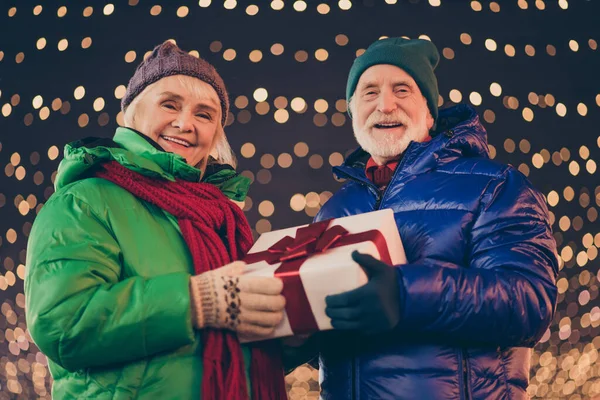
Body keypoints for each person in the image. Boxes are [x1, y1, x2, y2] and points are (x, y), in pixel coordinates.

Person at [286, 38, 558, 400]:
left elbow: (529, 301)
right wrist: (293, 336)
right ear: (353, 113)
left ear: (429, 112)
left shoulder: (494, 186)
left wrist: (406, 294)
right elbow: (330, 334)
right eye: (369, 92)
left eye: (402, 89)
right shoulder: (334, 209)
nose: (385, 105)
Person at [25, 41, 288, 400]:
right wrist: (194, 301)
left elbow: (244, 352)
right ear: (133, 114)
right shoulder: (85, 201)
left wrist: (294, 329)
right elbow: (63, 324)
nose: (185, 123)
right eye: (170, 105)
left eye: (204, 114)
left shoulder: (222, 217)